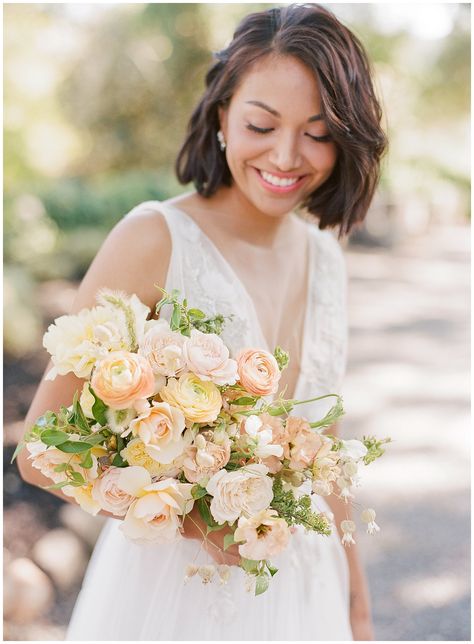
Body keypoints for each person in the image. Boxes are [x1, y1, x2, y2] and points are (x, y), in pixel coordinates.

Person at [17, 4, 387, 640]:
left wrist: (355, 594)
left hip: (306, 585)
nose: (287, 155)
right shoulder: (154, 237)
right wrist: (194, 520)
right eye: (261, 124)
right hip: (174, 595)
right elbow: (39, 451)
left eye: (318, 132)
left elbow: (323, 442)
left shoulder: (327, 255)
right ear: (222, 116)